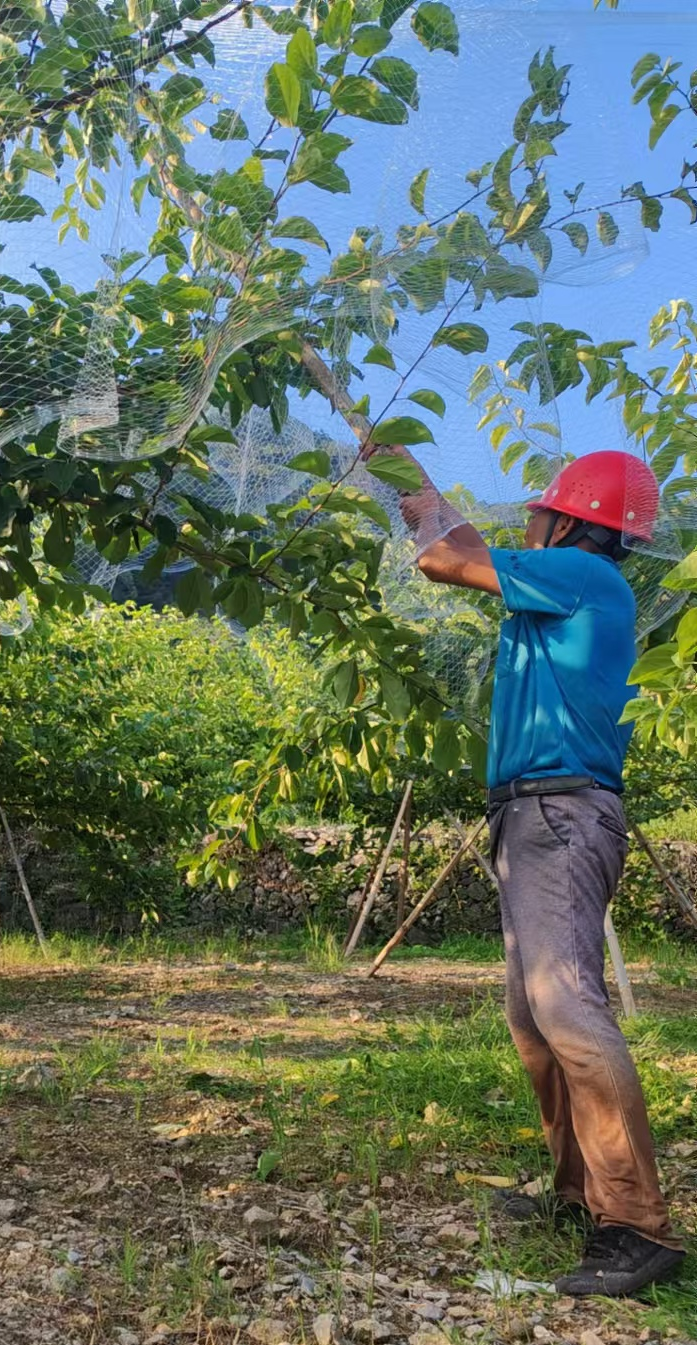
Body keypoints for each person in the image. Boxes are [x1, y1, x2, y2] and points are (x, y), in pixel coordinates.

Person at [386, 444, 684, 1297]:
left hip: (558, 811)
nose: (526, 521)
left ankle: (635, 1222)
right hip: (532, 813)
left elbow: (448, 559)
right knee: (531, 1017)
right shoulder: (563, 581)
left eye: (538, 510)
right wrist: (427, 499)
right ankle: (580, 1194)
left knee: (566, 1009)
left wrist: (420, 495)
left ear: (571, 521)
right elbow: (466, 547)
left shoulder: (582, 577)